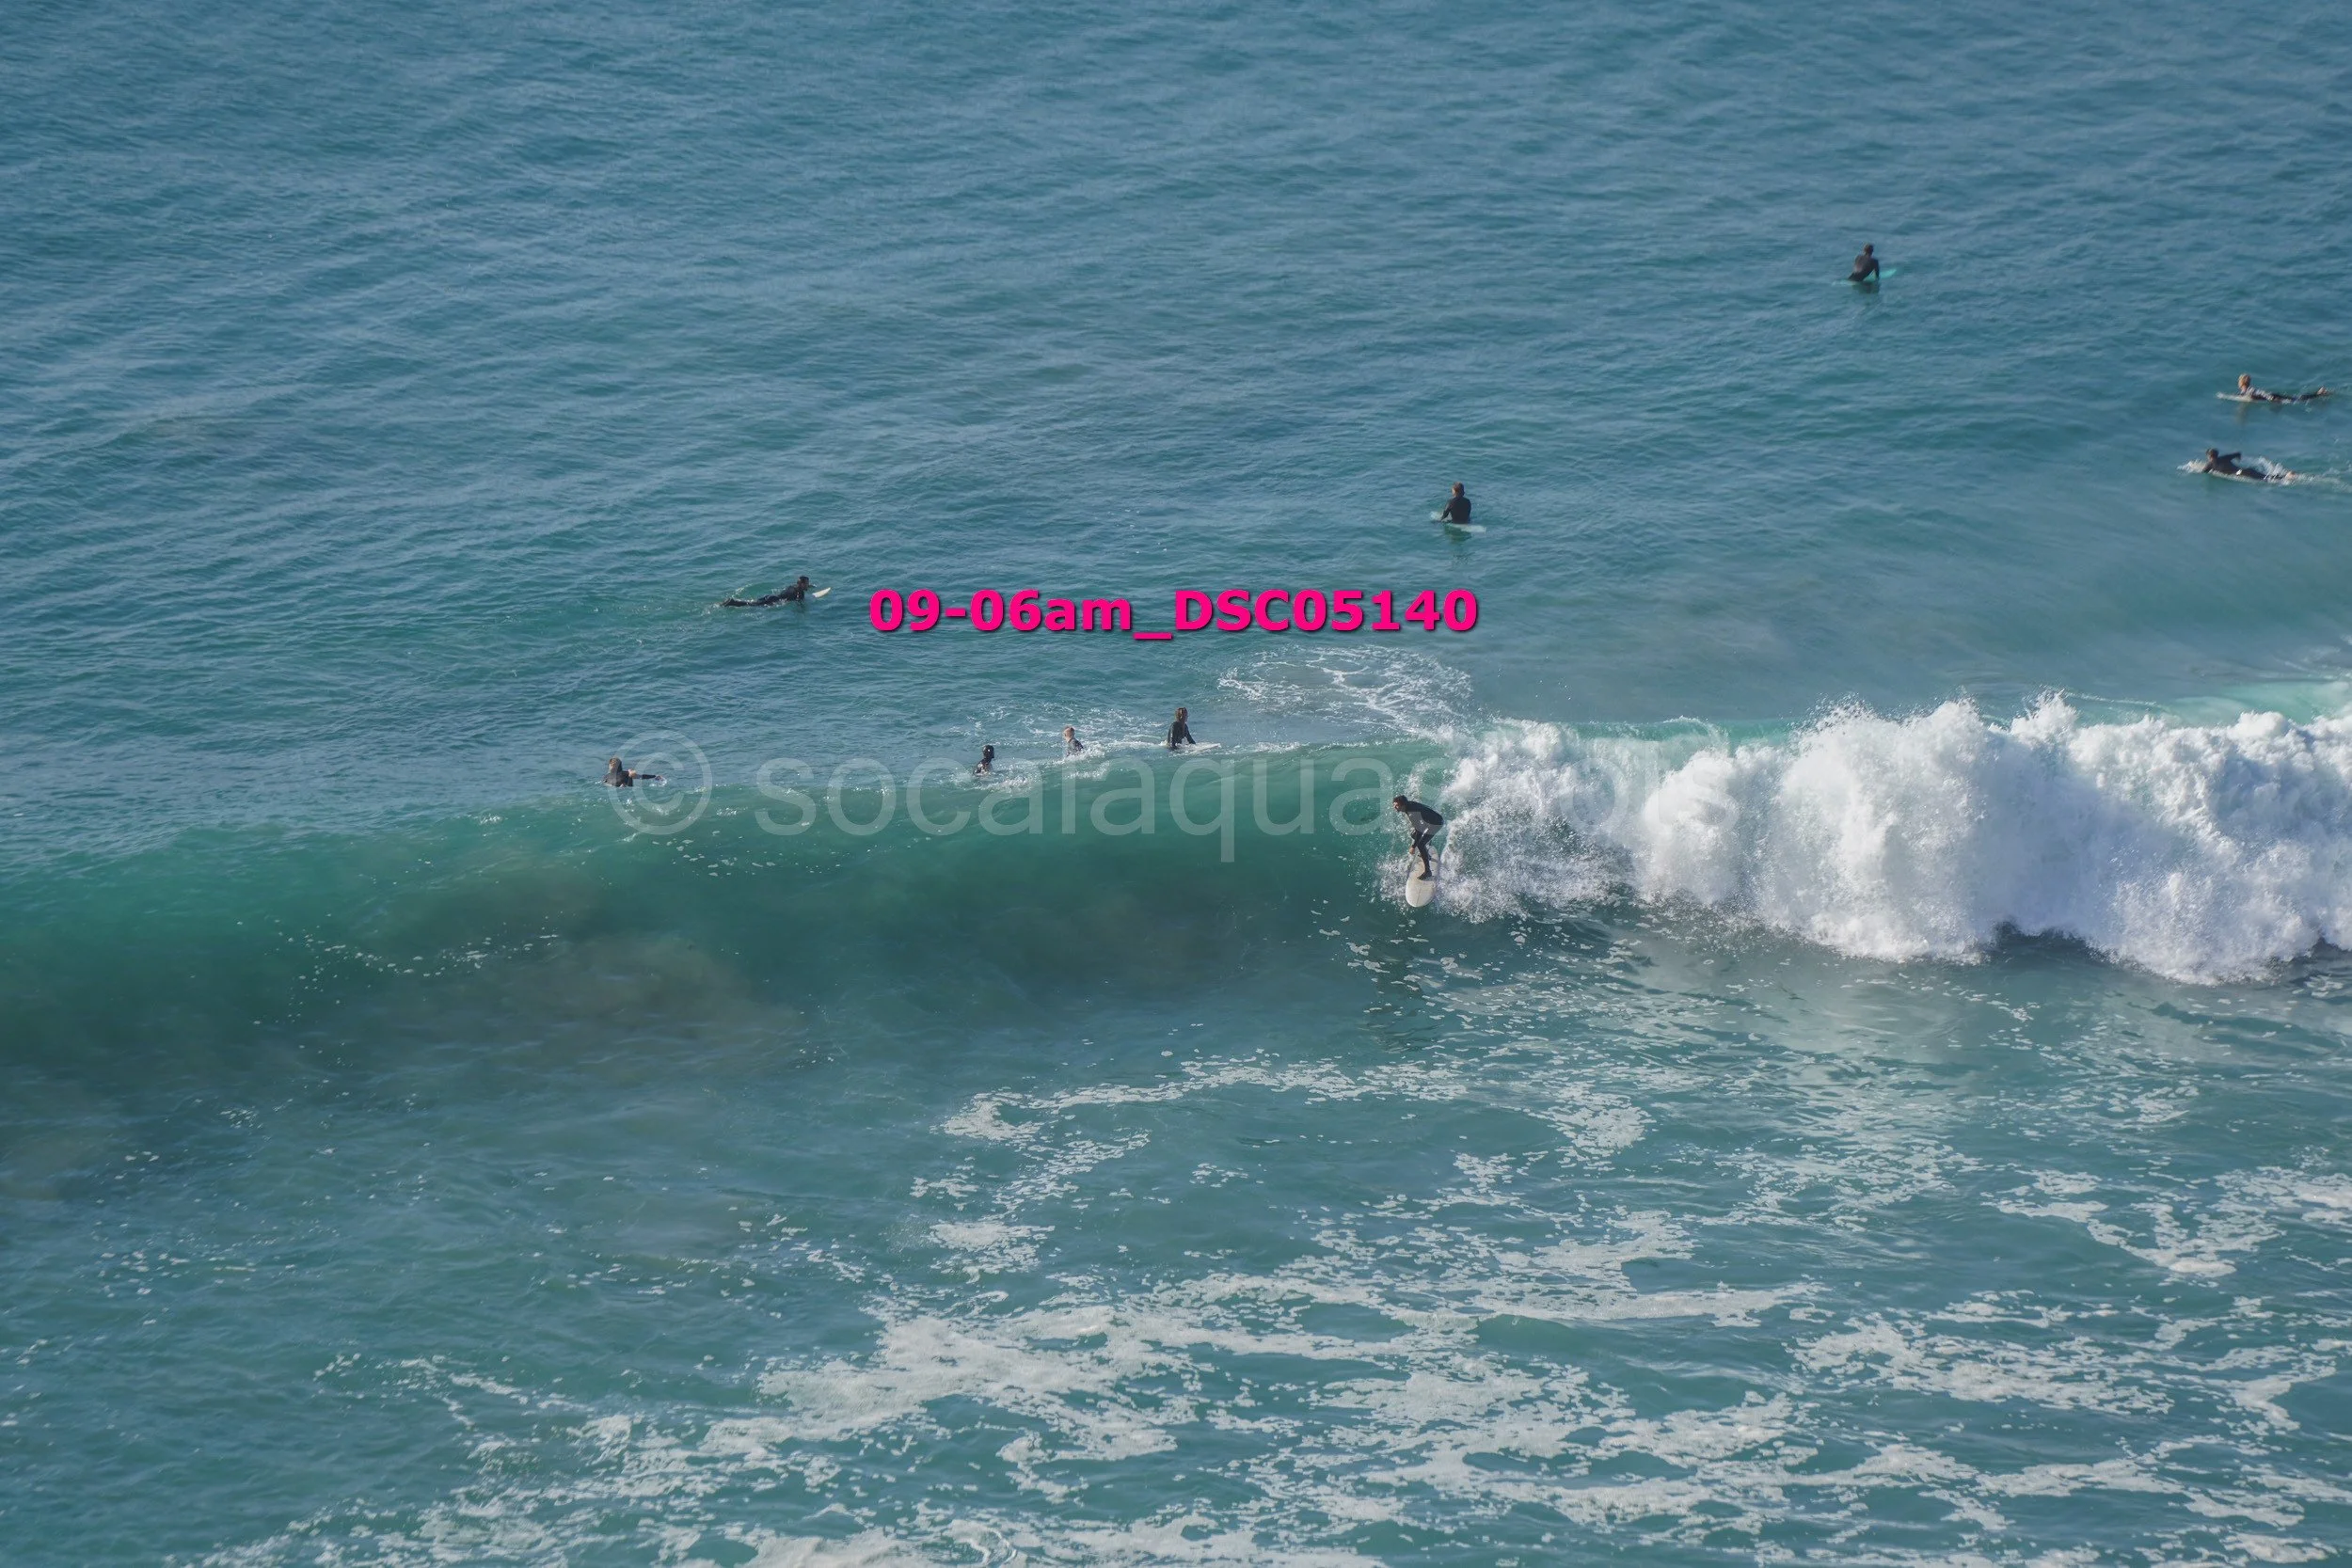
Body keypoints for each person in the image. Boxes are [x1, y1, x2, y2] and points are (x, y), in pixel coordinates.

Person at [1392, 795, 1444, 877]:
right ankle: (1426, 854)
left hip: (1436, 823)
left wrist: (1413, 846)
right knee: (1414, 835)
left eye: (1397, 805)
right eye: (1394, 804)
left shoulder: (1412, 813)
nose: (1394, 807)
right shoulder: (1408, 805)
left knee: (1420, 844)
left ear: (1403, 805)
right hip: (1430, 820)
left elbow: (1419, 831)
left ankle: (1428, 872)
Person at [722, 576, 814, 608]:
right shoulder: (800, 593)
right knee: (751, 605)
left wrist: (809, 586)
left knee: (752, 603)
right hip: (773, 601)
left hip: (771, 596)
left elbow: (799, 589)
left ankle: (730, 602)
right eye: (807, 583)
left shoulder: (793, 586)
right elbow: (799, 603)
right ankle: (732, 602)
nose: (807, 585)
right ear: (801, 584)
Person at [2235, 373, 2328, 404]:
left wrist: (2270, 398)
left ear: (2241, 383)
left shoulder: (2248, 391)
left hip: (2273, 397)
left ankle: (2319, 394)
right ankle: (2319, 394)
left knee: (2296, 399)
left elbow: (2261, 392)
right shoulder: (2245, 392)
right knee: (2295, 398)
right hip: (2273, 396)